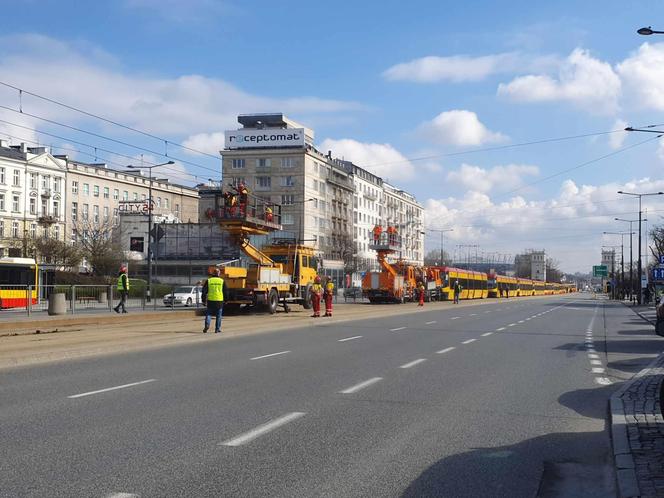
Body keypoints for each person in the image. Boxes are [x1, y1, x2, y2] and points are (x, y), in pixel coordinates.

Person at [202, 267, 224, 333]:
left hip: (210, 301)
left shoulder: (209, 281)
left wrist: (203, 300)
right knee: (218, 315)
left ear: (213, 273)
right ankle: (217, 329)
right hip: (219, 301)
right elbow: (226, 291)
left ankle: (207, 325)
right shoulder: (222, 281)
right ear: (219, 274)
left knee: (209, 314)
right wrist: (226, 300)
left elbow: (204, 291)